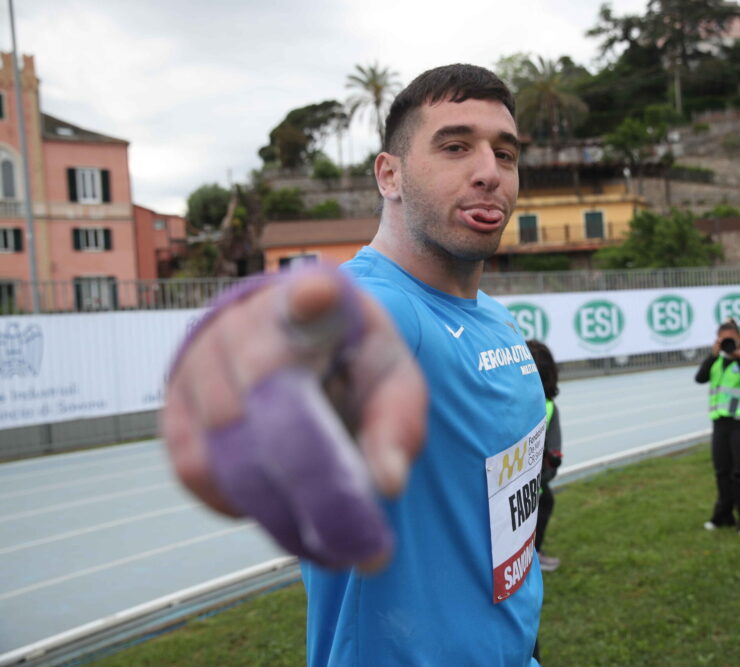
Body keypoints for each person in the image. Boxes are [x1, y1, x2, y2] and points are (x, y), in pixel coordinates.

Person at [163, 65, 546, 666]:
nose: (488, 172)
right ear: (389, 175)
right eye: (455, 146)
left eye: (506, 153)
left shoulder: (494, 319)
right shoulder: (386, 309)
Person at [694, 319, 740, 536]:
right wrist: (713, 355)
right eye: (723, 340)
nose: (728, 344)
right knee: (722, 472)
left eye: (731, 339)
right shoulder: (716, 360)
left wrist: (739, 359)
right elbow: (700, 378)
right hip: (720, 423)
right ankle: (723, 516)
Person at [526, 339, 563, 571]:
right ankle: (533, 556)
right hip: (536, 478)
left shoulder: (518, 401)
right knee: (542, 506)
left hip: (518, 475)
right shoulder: (547, 406)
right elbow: (553, 449)